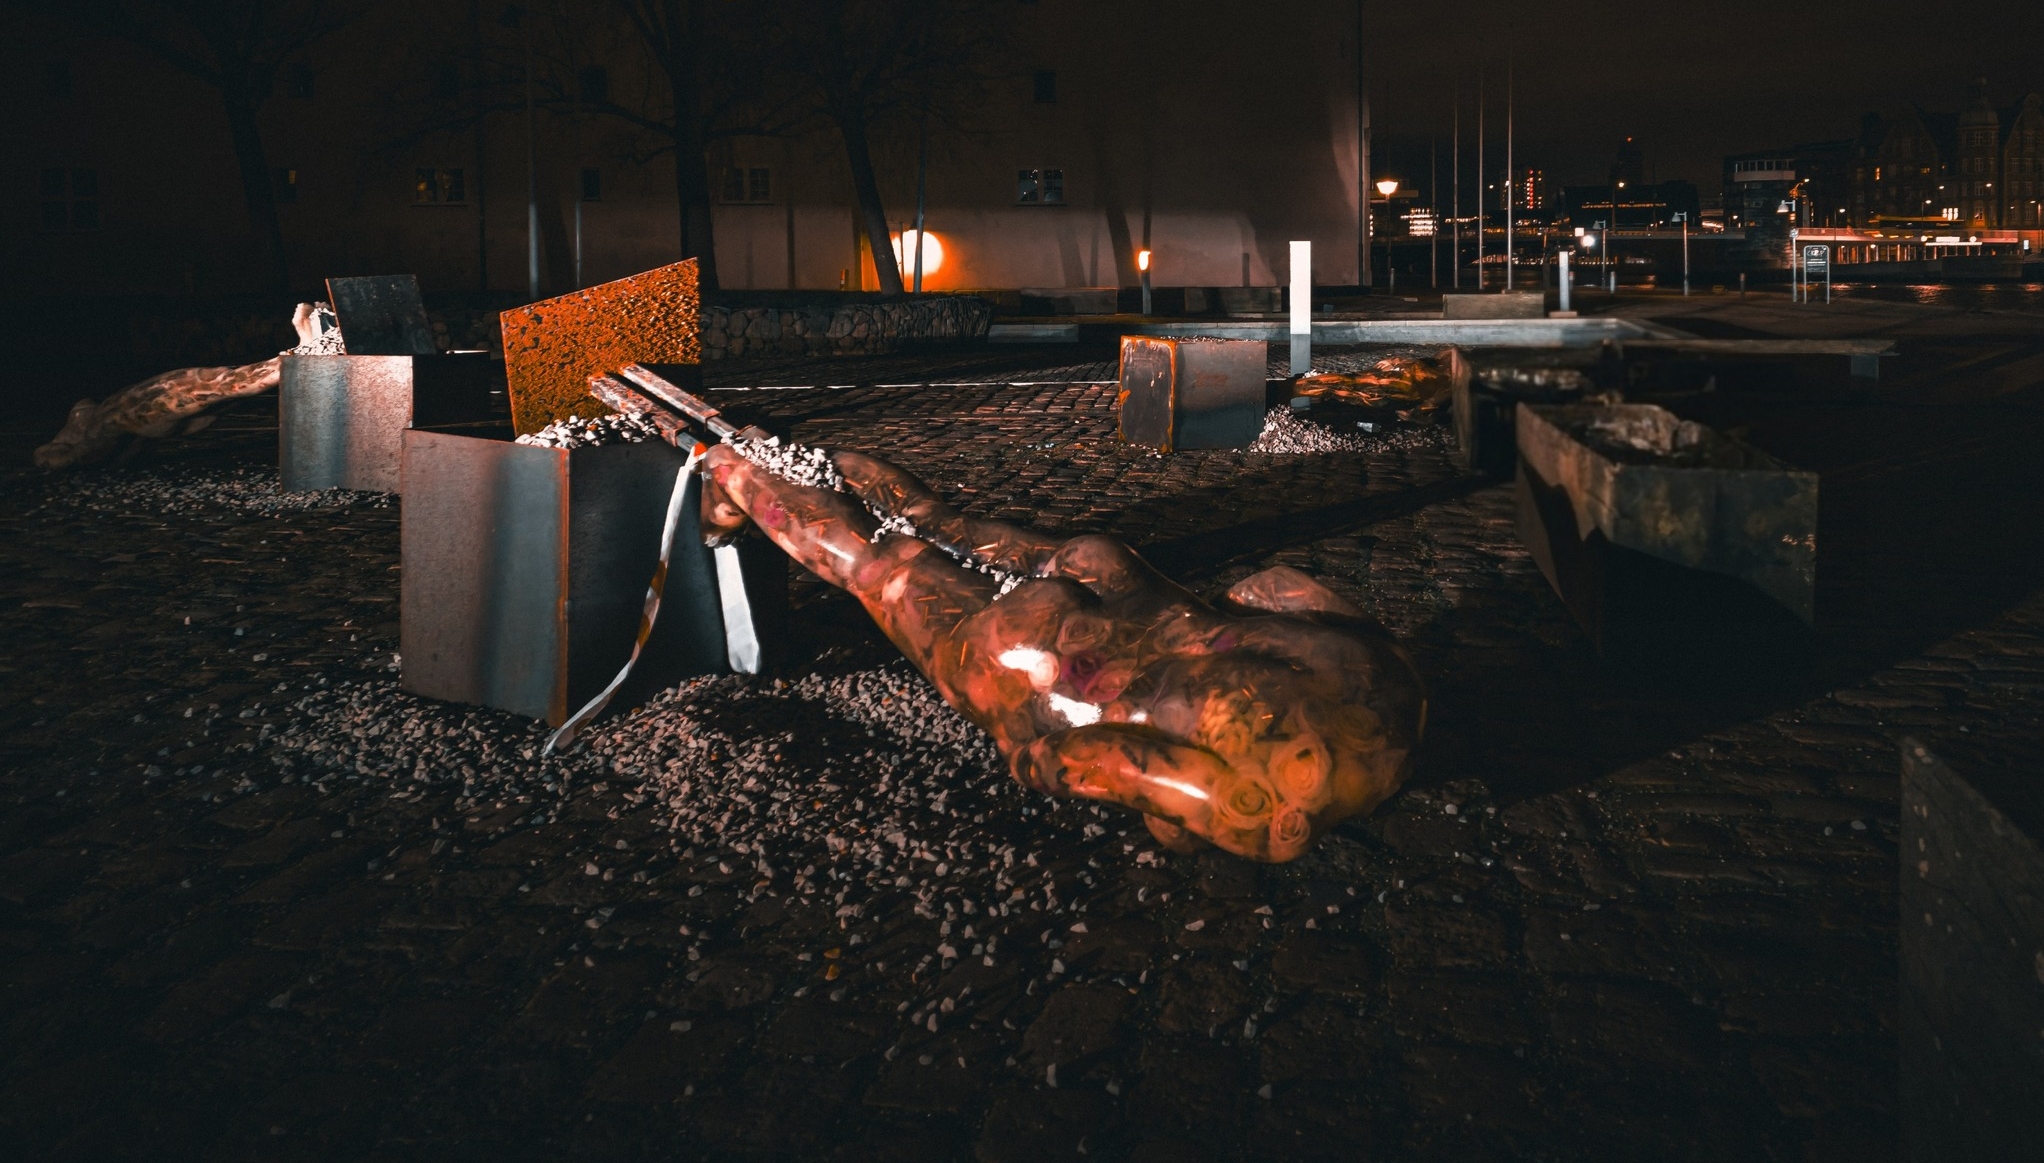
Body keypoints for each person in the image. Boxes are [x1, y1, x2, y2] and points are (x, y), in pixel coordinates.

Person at [697, 442, 1426, 863]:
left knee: (932, 524)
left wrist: (1191, 631)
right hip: (1034, 664)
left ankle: (768, 467)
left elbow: (1269, 586)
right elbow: (1086, 767)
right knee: (879, 566)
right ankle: (734, 474)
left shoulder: (1381, 674)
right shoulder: (1256, 807)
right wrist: (1033, 742)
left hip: (1120, 589)